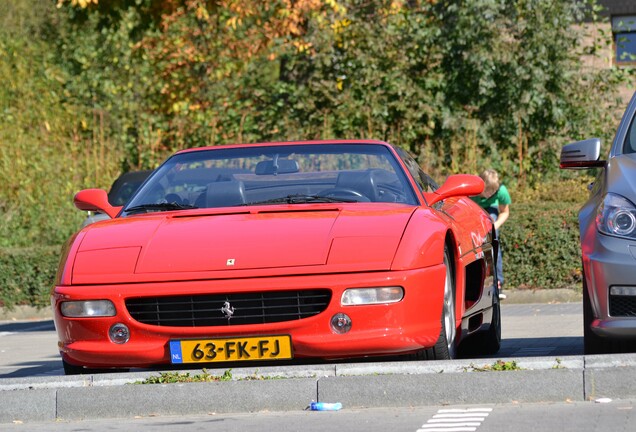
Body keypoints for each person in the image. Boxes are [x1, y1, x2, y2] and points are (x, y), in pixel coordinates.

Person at [471, 169, 511, 300]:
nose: (489, 194)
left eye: (492, 191)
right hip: (474, 211)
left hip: (491, 213)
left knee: (494, 241)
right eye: (487, 190)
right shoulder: (472, 192)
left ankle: (498, 284)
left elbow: (504, 212)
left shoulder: (501, 191)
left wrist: (494, 227)